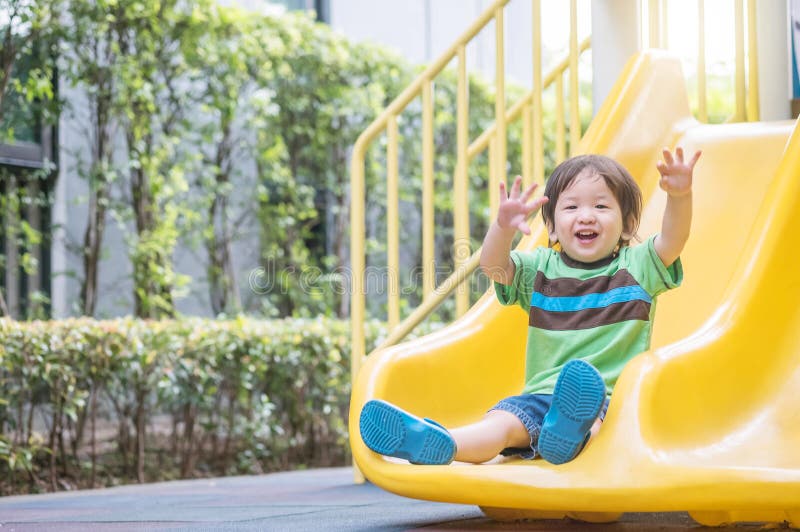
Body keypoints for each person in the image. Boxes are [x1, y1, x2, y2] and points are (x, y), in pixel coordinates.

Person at [359, 148, 701, 466]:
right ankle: (442, 441)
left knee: (599, 427)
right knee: (502, 423)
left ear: (627, 226)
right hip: (540, 396)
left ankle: (570, 435)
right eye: (571, 208)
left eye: (601, 207)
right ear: (550, 226)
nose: (586, 217)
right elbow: (494, 267)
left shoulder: (638, 266)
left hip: (609, 400)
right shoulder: (540, 269)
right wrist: (503, 229)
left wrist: (679, 195)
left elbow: (673, 239)